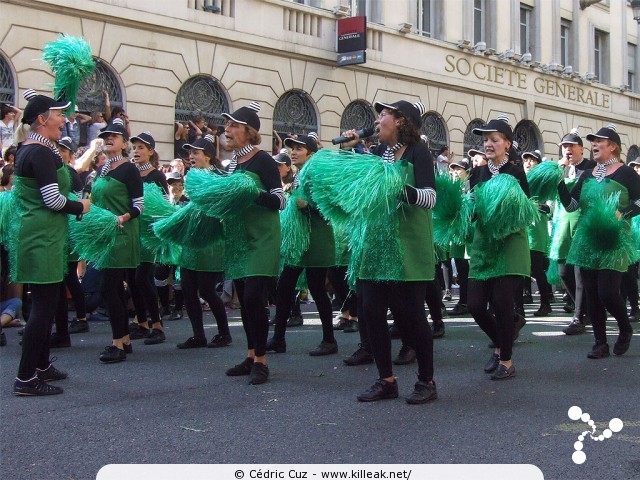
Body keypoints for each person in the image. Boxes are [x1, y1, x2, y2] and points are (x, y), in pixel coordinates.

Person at [340, 99, 438, 404]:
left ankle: (426, 380)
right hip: (375, 243)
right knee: (369, 311)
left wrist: (402, 191)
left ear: (400, 121)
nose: (377, 120)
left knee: (410, 316)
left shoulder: (418, 151)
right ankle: (386, 380)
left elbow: (431, 197)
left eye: (382, 115)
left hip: (407, 245)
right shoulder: (378, 155)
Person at [10, 89, 90, 395]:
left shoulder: (33, 148)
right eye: (59, 114)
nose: (64, 120)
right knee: (43, 308)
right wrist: (80, 207)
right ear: (42, 120)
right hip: (42, 236)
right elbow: (53, 200)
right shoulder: (40, 152)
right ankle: (26, 378)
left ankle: (41, 366)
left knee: (48, 301)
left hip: (42, 236)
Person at [557, 124, 638, 359]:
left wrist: (624, 213)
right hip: (586, 239)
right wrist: (559, 182)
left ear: (613, 146)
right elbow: (572, 205)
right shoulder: (588, 173)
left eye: (599, 141)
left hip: (614, 239)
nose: (593, 144)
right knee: (591, 292)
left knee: (608, 292)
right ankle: (600, 343)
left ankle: (625, 327)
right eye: (592, 141)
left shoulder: (626, 173)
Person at [223, 102, 285, 385]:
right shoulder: (233, 164)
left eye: (233, 125)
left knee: (253, 299)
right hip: (239, 238)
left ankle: (262, 360)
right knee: (244, 302)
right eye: (227, 125)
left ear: (248, 132)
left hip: (262, 238)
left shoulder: (264, 161)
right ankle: (250, 355)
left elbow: (280, 200)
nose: (227, 130)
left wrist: (254, 193)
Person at [467, 115, 530, 381]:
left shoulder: (515, 171)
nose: (488, 144)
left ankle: (506, 360)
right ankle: (503, 343)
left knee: (502, 302)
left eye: (494, 140)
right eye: (485, 140)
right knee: (475, 305)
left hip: (509, 243)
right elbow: (473, 212)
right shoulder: (477, 173)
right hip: (484, 246)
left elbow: (525, 208)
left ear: (507, 144)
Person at [266, 135, 337, 356]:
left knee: (317, 289)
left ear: (312, 154)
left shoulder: (317, 175)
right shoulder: (297, 176)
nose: (293, 152)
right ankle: (278, 339)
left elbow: (330, 207)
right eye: (292, 149)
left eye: (299, 149)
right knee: (285, 287)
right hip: (299, 241)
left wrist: (306, 206)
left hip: (316, 239)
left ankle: (329, 339)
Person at [174, 134, 231, 350]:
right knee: (188, 290)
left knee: (207, 291)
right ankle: (199, 336)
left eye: (195, 152)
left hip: (210, 240)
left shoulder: (219, 176)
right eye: (190, 152)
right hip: (191, 240)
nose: (191, 156)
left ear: (207, 155)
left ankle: (224, 334)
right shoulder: (190, 176)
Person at [94, 118, 144, 363]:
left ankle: (118, 344)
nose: (108, 139)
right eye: (105, 136)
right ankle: (123, 339)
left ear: (124, 143)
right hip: (105, 235)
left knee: (110, 288)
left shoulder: (129, 169)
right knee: (112, 288)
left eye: (113, 136)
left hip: (122, 235)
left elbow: (139, 205)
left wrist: (124, 217)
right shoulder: (103, 169)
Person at [552, 129, 595, 335]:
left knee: (579, 274)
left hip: (582, 223)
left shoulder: (590, 168)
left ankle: (579, 317)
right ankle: (584, 309)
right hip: (563, 223)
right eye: (564, 146)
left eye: (571, 146)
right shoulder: (559, 169)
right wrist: (558, 174)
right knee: (563, 271)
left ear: (581, 149)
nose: (567, 150)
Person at [127, 131, 168, 345]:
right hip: (132, 231)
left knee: (143, 277)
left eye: (141, 147)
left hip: (149, 234)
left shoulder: (157, 176)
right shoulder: (130, 173)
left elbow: (163, 206)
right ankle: (141, 322)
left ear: (151, 151)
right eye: (134, 147)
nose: (136, 151)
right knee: (133, 278)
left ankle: (157, 325)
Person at [522, 150, 554, 317]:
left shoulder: (544, 184)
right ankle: (521, 300)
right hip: (521, 230)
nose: (528, 163)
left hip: (536, 231)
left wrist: (536, 206)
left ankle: (545, 301)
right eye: (526, 159)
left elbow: (550, 207)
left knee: (537, 268)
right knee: (520, 267)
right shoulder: (519, 180)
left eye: (532, 160)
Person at [448, 157, 471, 315]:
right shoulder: (451, 189)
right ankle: (464, 301)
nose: (455, 173)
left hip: (469, 234)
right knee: (461, 270)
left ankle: (469, 301)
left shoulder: (471, 187)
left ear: (467, 173)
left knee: (469, 269)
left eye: (458, 170)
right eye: (453, 170)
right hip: (456, 234)